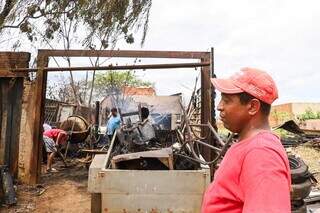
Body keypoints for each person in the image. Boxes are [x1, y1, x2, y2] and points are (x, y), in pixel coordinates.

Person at [201, 67, 291, 213]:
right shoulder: (249, 145)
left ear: (252, 107)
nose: (219, 107)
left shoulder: (262, 154)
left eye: (227, 100)